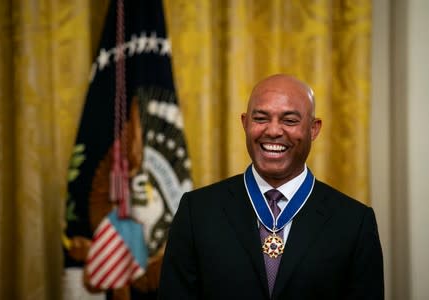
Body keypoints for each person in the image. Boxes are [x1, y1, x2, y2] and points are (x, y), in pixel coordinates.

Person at [157, 74, 384, 299]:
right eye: (261, 118)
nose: (273, 131)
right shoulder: (196, 212)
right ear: (245, 123)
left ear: (314, 129)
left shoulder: (354, 222)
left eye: (290, 120)